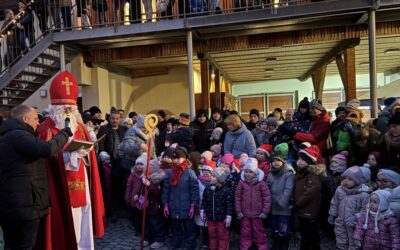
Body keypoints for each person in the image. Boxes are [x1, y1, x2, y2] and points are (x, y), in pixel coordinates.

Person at [36, 71, 105, 249]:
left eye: (71, 109)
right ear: (54, 109)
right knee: (65, 217)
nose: (68, 112)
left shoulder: (80, 127)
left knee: (83, 216)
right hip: (59, 184)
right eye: (64, 108)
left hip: (81, 180)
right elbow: (43, 158)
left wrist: (86, 154)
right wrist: (66, 157)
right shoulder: (45, 129)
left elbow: (89, 155)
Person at [0, 105, 71, 249]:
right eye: (35, 119)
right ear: (25, 119)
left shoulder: (6, 135)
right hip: (24, 205)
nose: (38, 123)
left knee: (11, 244)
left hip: (11, 203)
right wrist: (64, 134)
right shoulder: (18, 136)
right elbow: (47, 149)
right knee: (24, 245)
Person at [161, 146, 199, 250]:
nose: (176, 160)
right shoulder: (170, 172)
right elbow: (166, 189)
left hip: (186, 206)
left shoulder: (190, 173)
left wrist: (193, 205)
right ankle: (176, 243)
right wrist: (165, 204)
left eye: (178, 158)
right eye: (174, 158)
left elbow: (194, 191)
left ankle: (190, 245)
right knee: (175, 228)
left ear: (184, 159)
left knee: (189, 228)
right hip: (173, 205)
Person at [328, 166, 369, 250]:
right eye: (344, 178)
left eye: (350, 179)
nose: (346, 181)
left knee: (354, 243)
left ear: (357, 181)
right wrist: (332, 214)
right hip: (340, 221)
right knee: (340, 239)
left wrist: (356, 217)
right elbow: (334, 202)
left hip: (354, 224)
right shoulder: (340, 190)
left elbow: (366, 209)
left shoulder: (363, 194)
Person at [235, 158, 271, 250]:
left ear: (256, 173)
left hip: (258, 214)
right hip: (245, 213)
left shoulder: (261, 184)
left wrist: (265, 211)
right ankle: (245, 246)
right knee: (245, 231)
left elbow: (267, 197)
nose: (247, 174)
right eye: (246, 171)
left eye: (250, 172)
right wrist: (238, 211)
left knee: (259, 231)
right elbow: (237, 197)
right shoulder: (241, 183)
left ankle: (262, 246)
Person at [295, 145, 325, 250]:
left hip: (309, 210)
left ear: (310, 162)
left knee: (310, 233)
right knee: (305, 232)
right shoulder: (302, 173)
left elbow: (310, 192)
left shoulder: (312, 175)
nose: (299, 161)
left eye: (303, 160)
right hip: (303, 209)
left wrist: (298, 203)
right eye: (299, 159)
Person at [97, 110, 127, 218]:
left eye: (117, 118)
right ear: (109, 119)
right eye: (113, 118)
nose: (115, 120)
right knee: (110, 187)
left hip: (122, 161)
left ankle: (120, 209)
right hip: (109, 162)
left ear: (120, 119)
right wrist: (103, 155)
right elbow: (100, 144)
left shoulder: (124, 129)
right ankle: (111, 211)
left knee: (121, 185)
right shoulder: (104, 129)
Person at [267, 153, 295, 250]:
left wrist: (281, 202)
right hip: (273, 206)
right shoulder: (271, 173)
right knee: (274, 228)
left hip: (284, 208)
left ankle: (284, 245)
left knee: (284, 229)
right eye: (273, 161)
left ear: (283, 162)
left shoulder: (289, 174)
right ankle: (276, 245)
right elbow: (268, 187)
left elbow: (288, 190)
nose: (276, 163)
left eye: (278, 160)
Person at [200, 168, 233, 250]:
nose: (210, 177)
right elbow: (204, 201)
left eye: (214, 176)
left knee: (222, 236)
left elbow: (229, 204)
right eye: (211, 175)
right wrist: (202, 210)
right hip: (210, 218)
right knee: (212, 235)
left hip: (222, 220)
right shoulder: (207, 189)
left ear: (219, 179)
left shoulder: (226, 190)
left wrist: (228, 216)